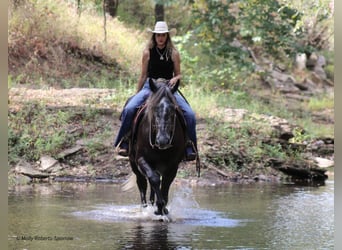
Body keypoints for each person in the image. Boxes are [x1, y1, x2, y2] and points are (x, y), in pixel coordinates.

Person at [114, 21, 197, 161]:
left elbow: (178, 73)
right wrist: (138, 93)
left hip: (168, 88)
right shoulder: (147, 52)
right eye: (158, 35)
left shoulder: (174, 53)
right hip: (150, 86)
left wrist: (176, 79)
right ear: (154, 36)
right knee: (129, 108)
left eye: (163, 35)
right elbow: (143, 75)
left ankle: (189, 145)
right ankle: (126, 141)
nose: (160, 38)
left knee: (189, 114)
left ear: (167, 36)